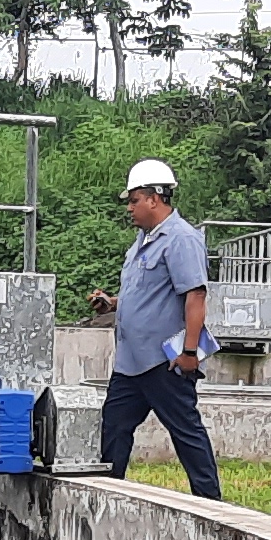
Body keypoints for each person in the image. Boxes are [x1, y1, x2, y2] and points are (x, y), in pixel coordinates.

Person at [87, 156, 220, 498]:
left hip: (164, 361)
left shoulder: (181, 238)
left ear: (154, 199)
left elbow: (195, 296)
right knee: (114, 427)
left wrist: (189, 352)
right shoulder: (143, 241)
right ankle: (107, 493)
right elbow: (148, 293)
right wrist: (112, 303)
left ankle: (211, 503)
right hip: (131, 362)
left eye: (134, 200)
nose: (129, 208)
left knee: (185, 431)